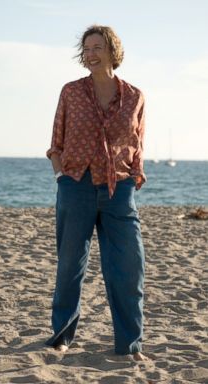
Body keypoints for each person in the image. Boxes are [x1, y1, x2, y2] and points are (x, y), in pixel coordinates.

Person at [45, 25, 148, 361]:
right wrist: (61, 175)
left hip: (119, 189)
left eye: (97, 47)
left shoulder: (134, 96)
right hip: (75, 184)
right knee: (70, 266)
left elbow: (137, 145)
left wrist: (134, 177)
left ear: (112, 51)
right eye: (86, 48)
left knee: (128, 267)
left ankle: (129, 345)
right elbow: (56, 140)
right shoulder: (71, 92)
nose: (90, 53)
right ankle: (62, 337)